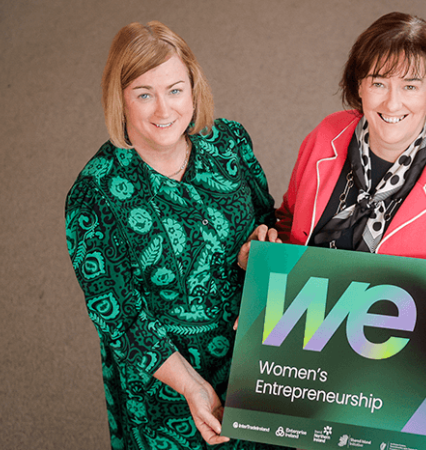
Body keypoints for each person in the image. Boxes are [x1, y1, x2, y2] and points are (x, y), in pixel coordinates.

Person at [65, 21, 287, 450]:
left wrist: (261, 247)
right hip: (169, 385)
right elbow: (120, 318)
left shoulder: (230, 143)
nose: (164, 110)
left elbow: (266, 216)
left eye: (174, 90)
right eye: (144, 94)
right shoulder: (94, 196)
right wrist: (191, 386)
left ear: (193, 89)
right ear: (120, 100)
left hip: (255, 360)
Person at [269, 12, 426, 267]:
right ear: (359, 85)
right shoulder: (325, 136)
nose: (392, 103)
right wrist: (263, 252)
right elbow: (288, 224)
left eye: (410, 86)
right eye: (379, 83)